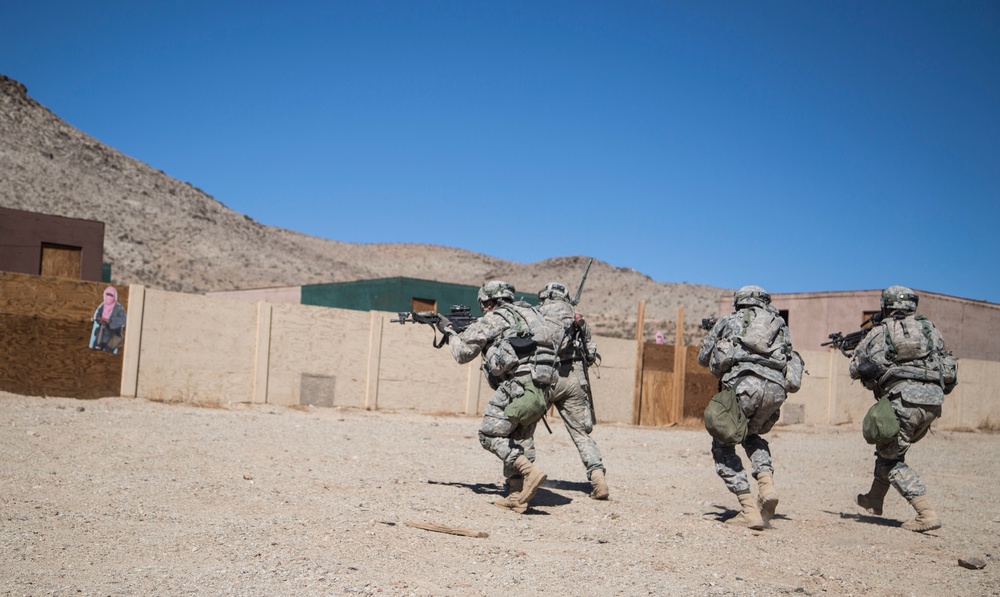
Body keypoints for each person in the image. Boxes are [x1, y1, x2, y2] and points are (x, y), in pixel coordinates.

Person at [437, 280, 559, 513]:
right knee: (519, 438)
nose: (482, 309)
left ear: (490, 301)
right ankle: (516, 495)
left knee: (488, 434)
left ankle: (528, 472)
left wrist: (450, 332)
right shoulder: (532, 313)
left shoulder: (494, 318)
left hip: (517, 386)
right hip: (542, 387)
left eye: (483, 304)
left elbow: (463, 354)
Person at [849, 286, 957, 533]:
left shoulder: (881, 331)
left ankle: (925, 513)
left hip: (903, 400)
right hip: (933, 402)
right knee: (890, 450)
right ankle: (874, 499)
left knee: (891, 460)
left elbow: (857, 369)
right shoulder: (931, 330)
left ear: (886, 306)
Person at [698, 285, 799, 530]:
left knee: (722, 445)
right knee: (752, 436)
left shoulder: (728, 320)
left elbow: (703, 358)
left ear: (738, 302)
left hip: (744, 386)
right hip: (775, 390)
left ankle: (749, 510)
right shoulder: (778, 325)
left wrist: (718, 334)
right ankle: (767, 485)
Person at [536, 282, 610, 500]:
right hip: (574, 381)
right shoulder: (578, 319)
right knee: (581, 434)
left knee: (524, 428)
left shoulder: (537, 314)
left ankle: (520, 479)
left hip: (546, 377)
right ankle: (598, 479)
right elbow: (590, 355)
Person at [89, 286, 126, 354]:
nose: (109, 297)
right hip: (100, 335)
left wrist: (110, 321)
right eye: (107, 294)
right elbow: (98, 315)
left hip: (112, 337)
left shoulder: (119, 308)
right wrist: (99, 319)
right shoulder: (103, 305)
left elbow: (123, 320)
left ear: (114, 296)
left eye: (111, 295)